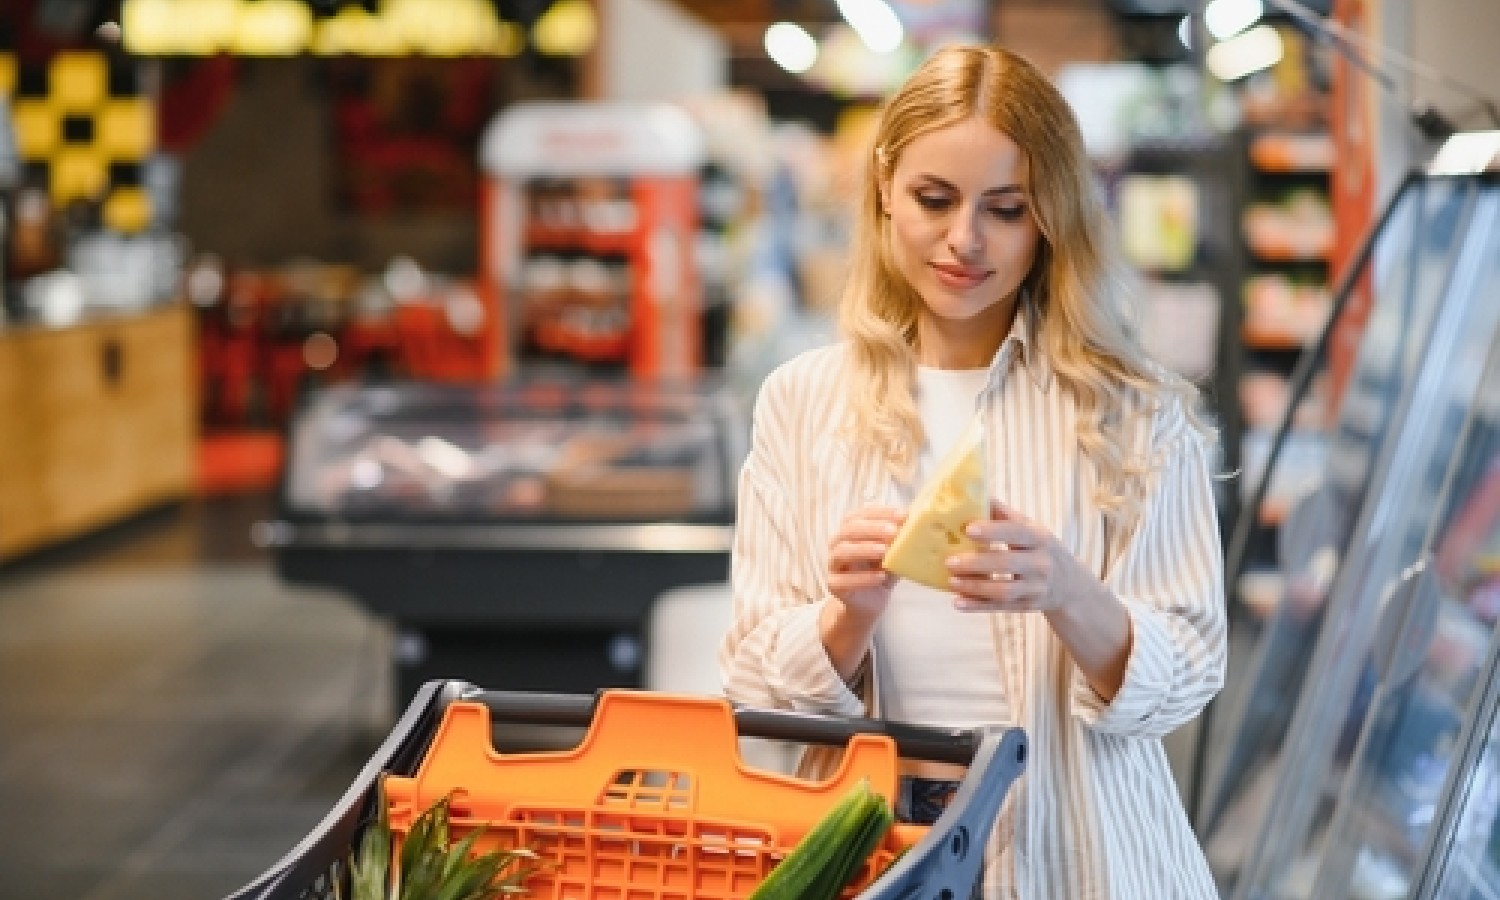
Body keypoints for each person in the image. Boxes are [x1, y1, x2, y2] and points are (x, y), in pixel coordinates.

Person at [718, 44, 1226, 899]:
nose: (964, 240)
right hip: (870, 862)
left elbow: (1189, 675)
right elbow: (755, 690)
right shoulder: (801, 402)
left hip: (1086, 854)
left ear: (1052, 220)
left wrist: (1071, 593)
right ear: (884, 187)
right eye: (934, 199)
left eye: (1006, 208)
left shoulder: (1137, 412)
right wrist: (846, 619)